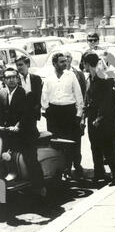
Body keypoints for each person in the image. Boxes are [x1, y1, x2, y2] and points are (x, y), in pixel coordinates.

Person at [0, 67, 46, 197]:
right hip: (7, 134)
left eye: (14, 77)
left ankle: (40, 187)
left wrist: (18, 126)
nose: (11, 80)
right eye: (8, 77)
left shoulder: (26, 94)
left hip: (25, 134)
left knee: (30, 158)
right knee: (1, 161)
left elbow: (28, 115)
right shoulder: (1, 93)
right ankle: (2, 195)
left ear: (17, 79)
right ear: (3, 80)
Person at [81, 51, 115, 185]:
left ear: (87, 63)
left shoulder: (103, 78)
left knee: (108, 147)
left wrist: (99, 118)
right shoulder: (90, 78)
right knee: (95, 147)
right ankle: (99, 173)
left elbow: (107, 101)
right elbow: (88, 99)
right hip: (92, 118)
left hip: (104, 119)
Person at [41, 52, 84, 180]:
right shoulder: (49, 78)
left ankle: (73, 167)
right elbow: (44, 96)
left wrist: (78, 114)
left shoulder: (71, 76)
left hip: (69, 112)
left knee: (72, 142)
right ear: (54, 64)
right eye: (61, 61)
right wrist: (46, 111)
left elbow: (78, 95)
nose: (65, 63)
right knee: (56, 143)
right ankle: (60, 170)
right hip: (54, 114)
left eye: (65, 61)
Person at [64, 51, 87, 178]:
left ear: (71, 59)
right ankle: (66, 167)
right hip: (64, 115)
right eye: (64, 57)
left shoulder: (78, 74)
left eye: (68, 56)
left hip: (77, 113)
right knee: (65, 141)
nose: (66, 59)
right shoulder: (57, 75)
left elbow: (84, 94)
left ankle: (77, 165)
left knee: (76, 140)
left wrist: (82, 116)